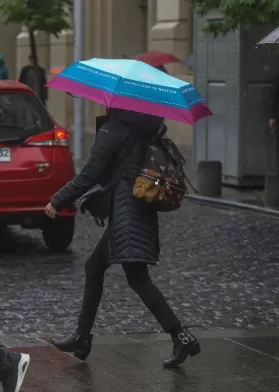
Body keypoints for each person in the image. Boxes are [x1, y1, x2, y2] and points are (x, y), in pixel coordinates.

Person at [45, 108, 201, 368]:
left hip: (127, 211)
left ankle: (181, 336)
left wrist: (58, 200)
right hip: (136, 207)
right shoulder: (146, 125)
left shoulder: (114, 128)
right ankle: (81, 337)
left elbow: (90, 173)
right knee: (94, 267)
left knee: (138, 279)